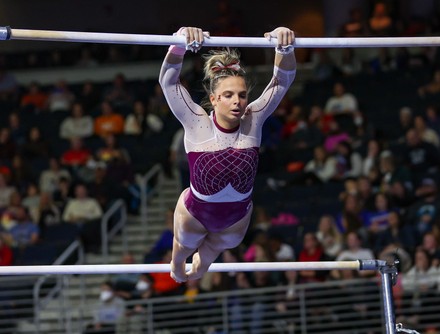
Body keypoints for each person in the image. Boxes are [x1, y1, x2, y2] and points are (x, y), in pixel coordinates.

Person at [159, 26, 296, 282]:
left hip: (236, 220)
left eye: (242, 95)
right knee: (182, 260)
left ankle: (201, 261)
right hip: (195, 213)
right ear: (214, 98)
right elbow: (169, 82)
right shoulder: (197, 122)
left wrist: (284, 47)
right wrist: (178, 43)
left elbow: (281, 81)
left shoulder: (253, 119)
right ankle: (177, 259)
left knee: (202, 266)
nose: (237, 101)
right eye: (228, 95)